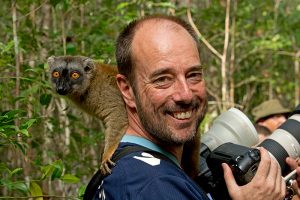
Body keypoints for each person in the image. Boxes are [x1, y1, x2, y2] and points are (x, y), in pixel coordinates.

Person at [93, 15, 300, 200]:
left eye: (193, 75)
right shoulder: (154, 185)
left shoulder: (122, 167)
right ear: (127, 90)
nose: (185, 94)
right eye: (163, 79)